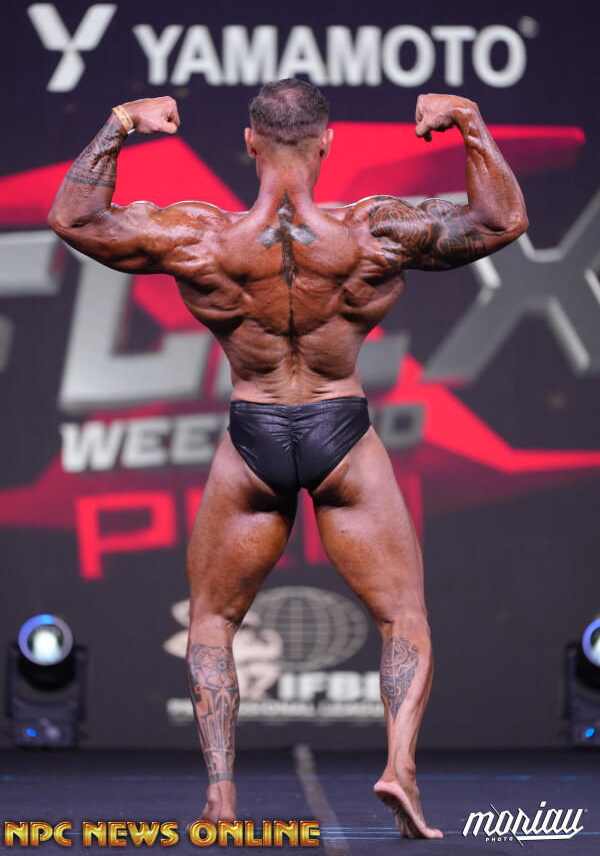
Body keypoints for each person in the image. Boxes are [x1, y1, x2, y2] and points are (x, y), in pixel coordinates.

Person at [48, 80, 527, 839]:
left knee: (212, 622)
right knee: (403, 616)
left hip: (254, 434)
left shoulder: (201, 238)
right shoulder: (373, 233)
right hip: (341, 428)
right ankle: (399, 769)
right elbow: (502, 220)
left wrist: (120, 123)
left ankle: (221, 795)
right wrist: (467, 120)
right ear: (327, 143)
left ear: (250, 143)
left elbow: (74, 218)